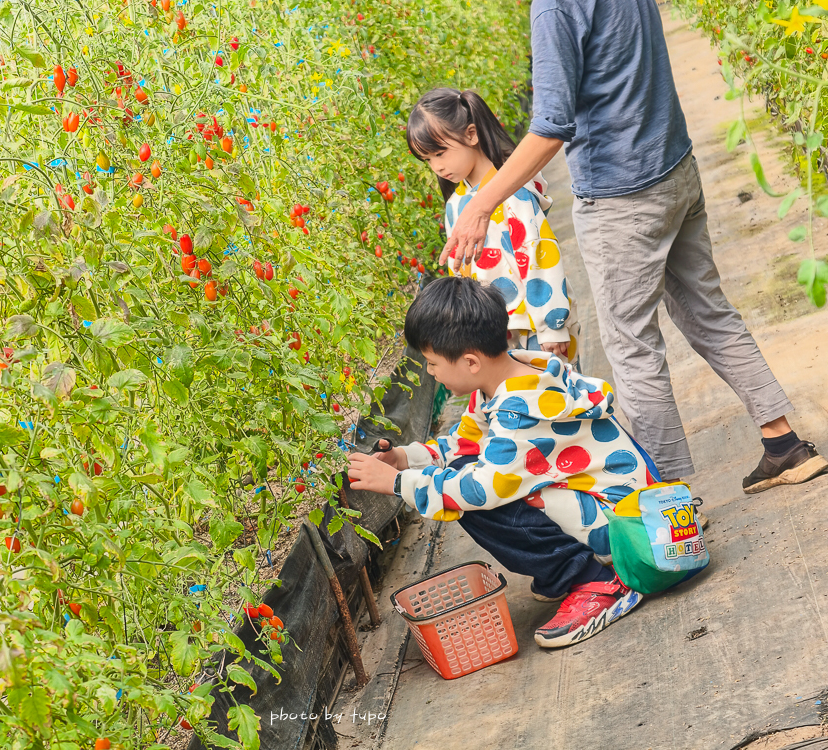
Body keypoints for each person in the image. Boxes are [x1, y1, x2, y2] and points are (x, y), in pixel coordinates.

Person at [437, 0, 827, 493]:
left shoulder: (553, 8)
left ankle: (666, 503)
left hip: (620, 196)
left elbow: (551, 126)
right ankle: (785, 446)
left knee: (633, 348)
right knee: (710, 314)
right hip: (674, 166)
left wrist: (480, 204)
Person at [348, 277, 657, 648]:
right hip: (622, 506)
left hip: (626, 529)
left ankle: (596, 581)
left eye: (432, 363)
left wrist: (397, 484)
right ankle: (571, 568)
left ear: (470, 362)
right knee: (464, 471)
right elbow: (465, 444)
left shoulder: (519, 412)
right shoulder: (510, 377)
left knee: (472, 497)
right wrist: (403, 458)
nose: (430, 373)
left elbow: (479, 490)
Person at [406, 88, 580, 364]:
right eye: (428, 159)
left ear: (471, 135)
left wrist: (552, 325)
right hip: (493, 338)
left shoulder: (512, 192)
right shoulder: (455, 205)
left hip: (535, 330)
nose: (436, 166)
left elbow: (539, 255)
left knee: (556, 390)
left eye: (440, 153)